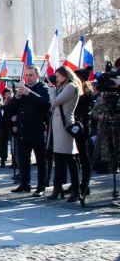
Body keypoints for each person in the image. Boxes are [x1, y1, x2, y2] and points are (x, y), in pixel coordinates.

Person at [9, 65, 51, 195]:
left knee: (40, 160)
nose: (28, 78)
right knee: (23, 159)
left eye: (31, 75)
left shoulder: (43, 89)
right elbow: (11, 108)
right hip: (23, 129)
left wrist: (29, 93)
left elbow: (45, 104)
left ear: (38, 76)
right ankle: (25, 183)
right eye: (26, 75)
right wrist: (16, 97)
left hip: (37, 128)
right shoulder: (23, 90)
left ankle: (41, 186)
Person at [46, 66, 82, 201]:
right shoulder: (63, 87)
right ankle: (57, 187)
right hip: (58, 125)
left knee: (69, 158)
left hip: (65, 125)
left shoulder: (71, 87)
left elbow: (55, 101)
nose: (56, 78)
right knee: (59, 158)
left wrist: (51, 89)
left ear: (66, 75)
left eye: (59, 76)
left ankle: (75, 190)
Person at [73, 68, 94, 198]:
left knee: (83, 157)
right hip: (76, 126)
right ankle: (76, 184)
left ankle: (85, 184)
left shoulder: (86, 93)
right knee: (76, 156)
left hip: (83, 127)